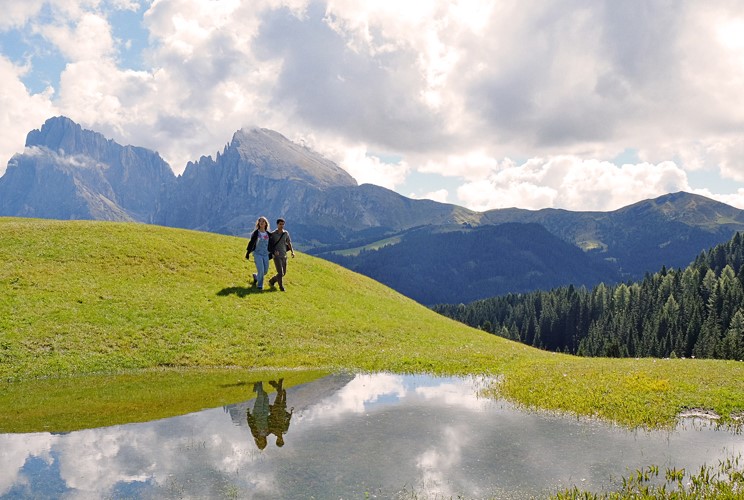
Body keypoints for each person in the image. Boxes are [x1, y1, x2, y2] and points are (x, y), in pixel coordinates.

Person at [268, 218, 295, 291]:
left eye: (283, 224)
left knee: (283, 273)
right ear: (277, 224)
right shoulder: (273, 234)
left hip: (284, 256)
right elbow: (270, 245)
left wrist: (292, 251)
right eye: (280, 224)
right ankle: (281, 287)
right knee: (280, 272)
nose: (282, 226)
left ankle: (272, 280)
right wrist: (274, 251)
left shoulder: (285, 233)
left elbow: (289, 243)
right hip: (276, 256)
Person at [245, 216, 271, 290]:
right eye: (260, 221)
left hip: (266, 254)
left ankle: (256, 276)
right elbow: (251, 243)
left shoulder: (268, 234)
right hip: (257, 253)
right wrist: (248, 253)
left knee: (265, 271)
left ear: (266, 223)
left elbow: (271, 244)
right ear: (258, 223)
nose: (262, 223)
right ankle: (260, 286)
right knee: (261, 270)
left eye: (263, 221)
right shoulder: (256, 233)